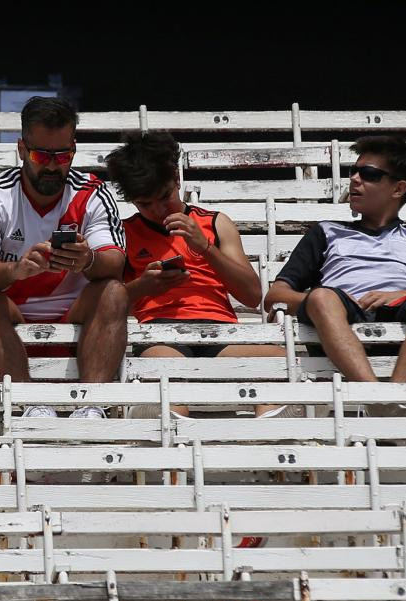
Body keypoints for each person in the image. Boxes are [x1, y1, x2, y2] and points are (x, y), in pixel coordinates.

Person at [263, 135, 406, 416]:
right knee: (321, 296)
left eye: (369, 174)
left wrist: (398, 295)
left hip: (400, 311)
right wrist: (326, 301)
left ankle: (391, 398)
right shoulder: (326, 232)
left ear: (398, 188)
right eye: (353, 172)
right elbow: (275, 296)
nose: (355, 179)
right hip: (341, 314)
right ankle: (378, 400)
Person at [0, 97, 128, 419]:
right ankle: (29, 405)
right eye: (41, 155)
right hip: (10, 318)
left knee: (114, 291)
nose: (52, 165)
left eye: (63, 156)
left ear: (74, 150)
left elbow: (115, 262)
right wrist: (16, 269)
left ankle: (91, 408)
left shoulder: (92, 193)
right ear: (21, 149)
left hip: (76, 316)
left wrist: (87, 259)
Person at [106, 131, 297, 419]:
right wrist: (143, 286)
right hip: (160, 333)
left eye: (164, 197)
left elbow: (252, 294)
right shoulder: (124, 232)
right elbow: (108, 302)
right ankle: (172, 461)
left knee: (282, 366)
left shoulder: (215, 223)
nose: (158, 210)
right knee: (163, 393)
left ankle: (275, 456)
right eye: (145, 204)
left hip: (222, 332)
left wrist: (205, 248)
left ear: (176, 178)